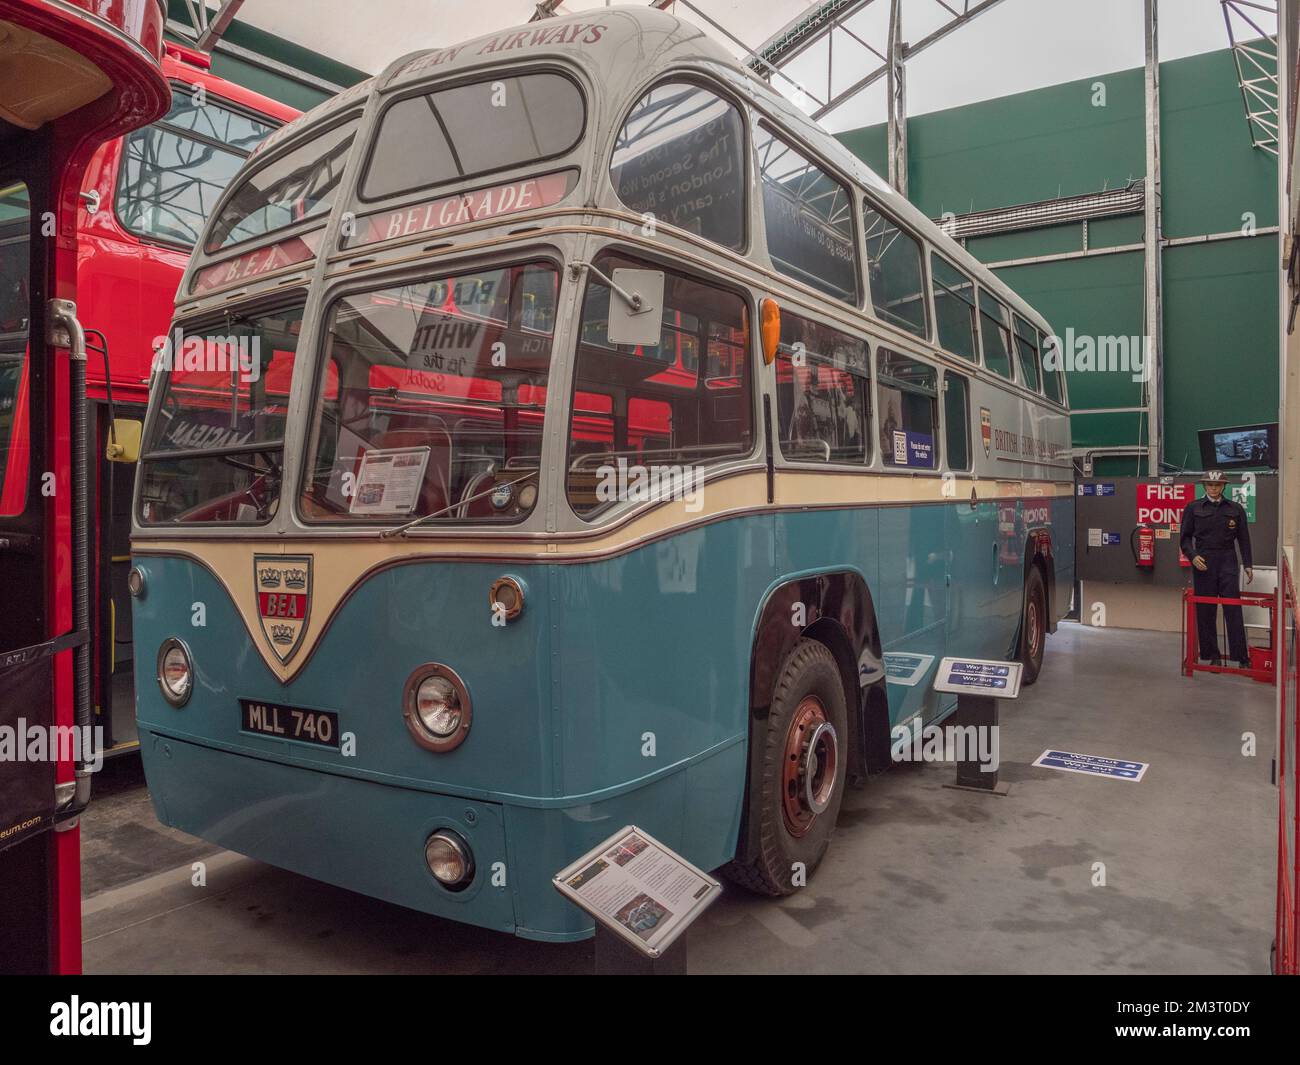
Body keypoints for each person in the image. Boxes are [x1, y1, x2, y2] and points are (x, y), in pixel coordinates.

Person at [1179, 470, 1253, 668]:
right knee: (1206, 610)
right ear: (1204, 486)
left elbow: (1244, 539)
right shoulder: (1193, 508)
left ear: (1224, 486)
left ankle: (1241, 657)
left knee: (1233, 609)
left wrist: (1248, 564)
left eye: (1218, 485)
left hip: (1228, 560)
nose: (1213, 488)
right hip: (1204, 562)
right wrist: (1193, 556)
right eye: (1210, 485)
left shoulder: (1236, 509)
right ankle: (1213, 655)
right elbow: (1184, 538)